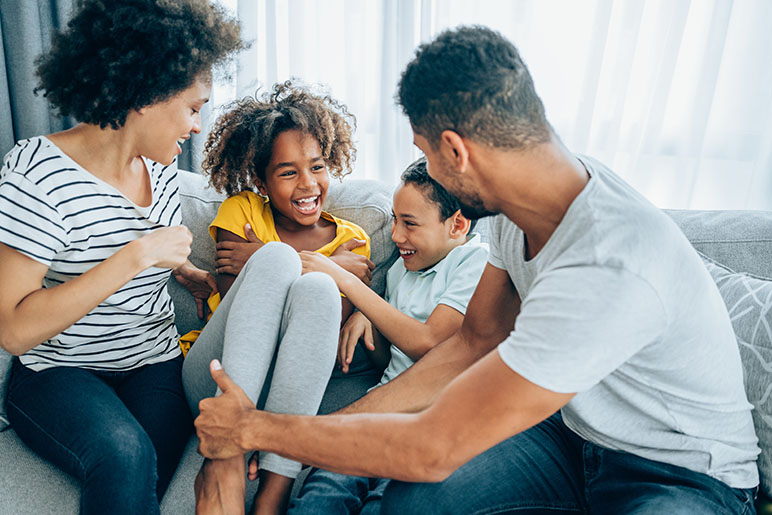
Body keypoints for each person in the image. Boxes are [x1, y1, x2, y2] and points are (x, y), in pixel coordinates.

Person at [193, 25, 760, 514]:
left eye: (427, 152)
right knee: (414, 501)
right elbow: (470, 344)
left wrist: (252, 428)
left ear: (456, 153)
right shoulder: (518, 214)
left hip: (680, 471)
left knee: (422, 468)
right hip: (573, 437)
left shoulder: (610, 261)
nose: (429, 170)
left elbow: (432, 446)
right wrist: (336, 433)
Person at [0, 1, 242, 514]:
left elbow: (138, 246)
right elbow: (14, 330)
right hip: (57, 373)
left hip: (153, 364)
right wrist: (134, 257)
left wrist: (191, 274)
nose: (198, 126)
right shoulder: (36, 172)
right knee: (125, 455)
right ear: (147, 93)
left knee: (141, 472)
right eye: (193, 107)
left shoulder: (164, 175)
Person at [181, 81, 373, 515]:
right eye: (288, 172)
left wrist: (291, 261)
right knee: (288, 266)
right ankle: (224, 460)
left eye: (318, 167)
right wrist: (318, 262)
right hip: (216, 377)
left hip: (286, 394)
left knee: (320, 287)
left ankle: (275, 491)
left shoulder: (354, 240)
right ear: (261, 181)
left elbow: (319, 335)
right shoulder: (242, 211)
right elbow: (241, 307)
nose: (308, 184)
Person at [289, 156, 488, 514]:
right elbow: (388, 362)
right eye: (395, 220)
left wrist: (350, 285)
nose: (397, 235)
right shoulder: (401, 269)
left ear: (457, 224)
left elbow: (429, 345)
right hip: (380, 410)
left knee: (385, 504)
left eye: (410, 224)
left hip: (429, 424)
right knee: (321, 493)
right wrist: (371, 321)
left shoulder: (475, 263)